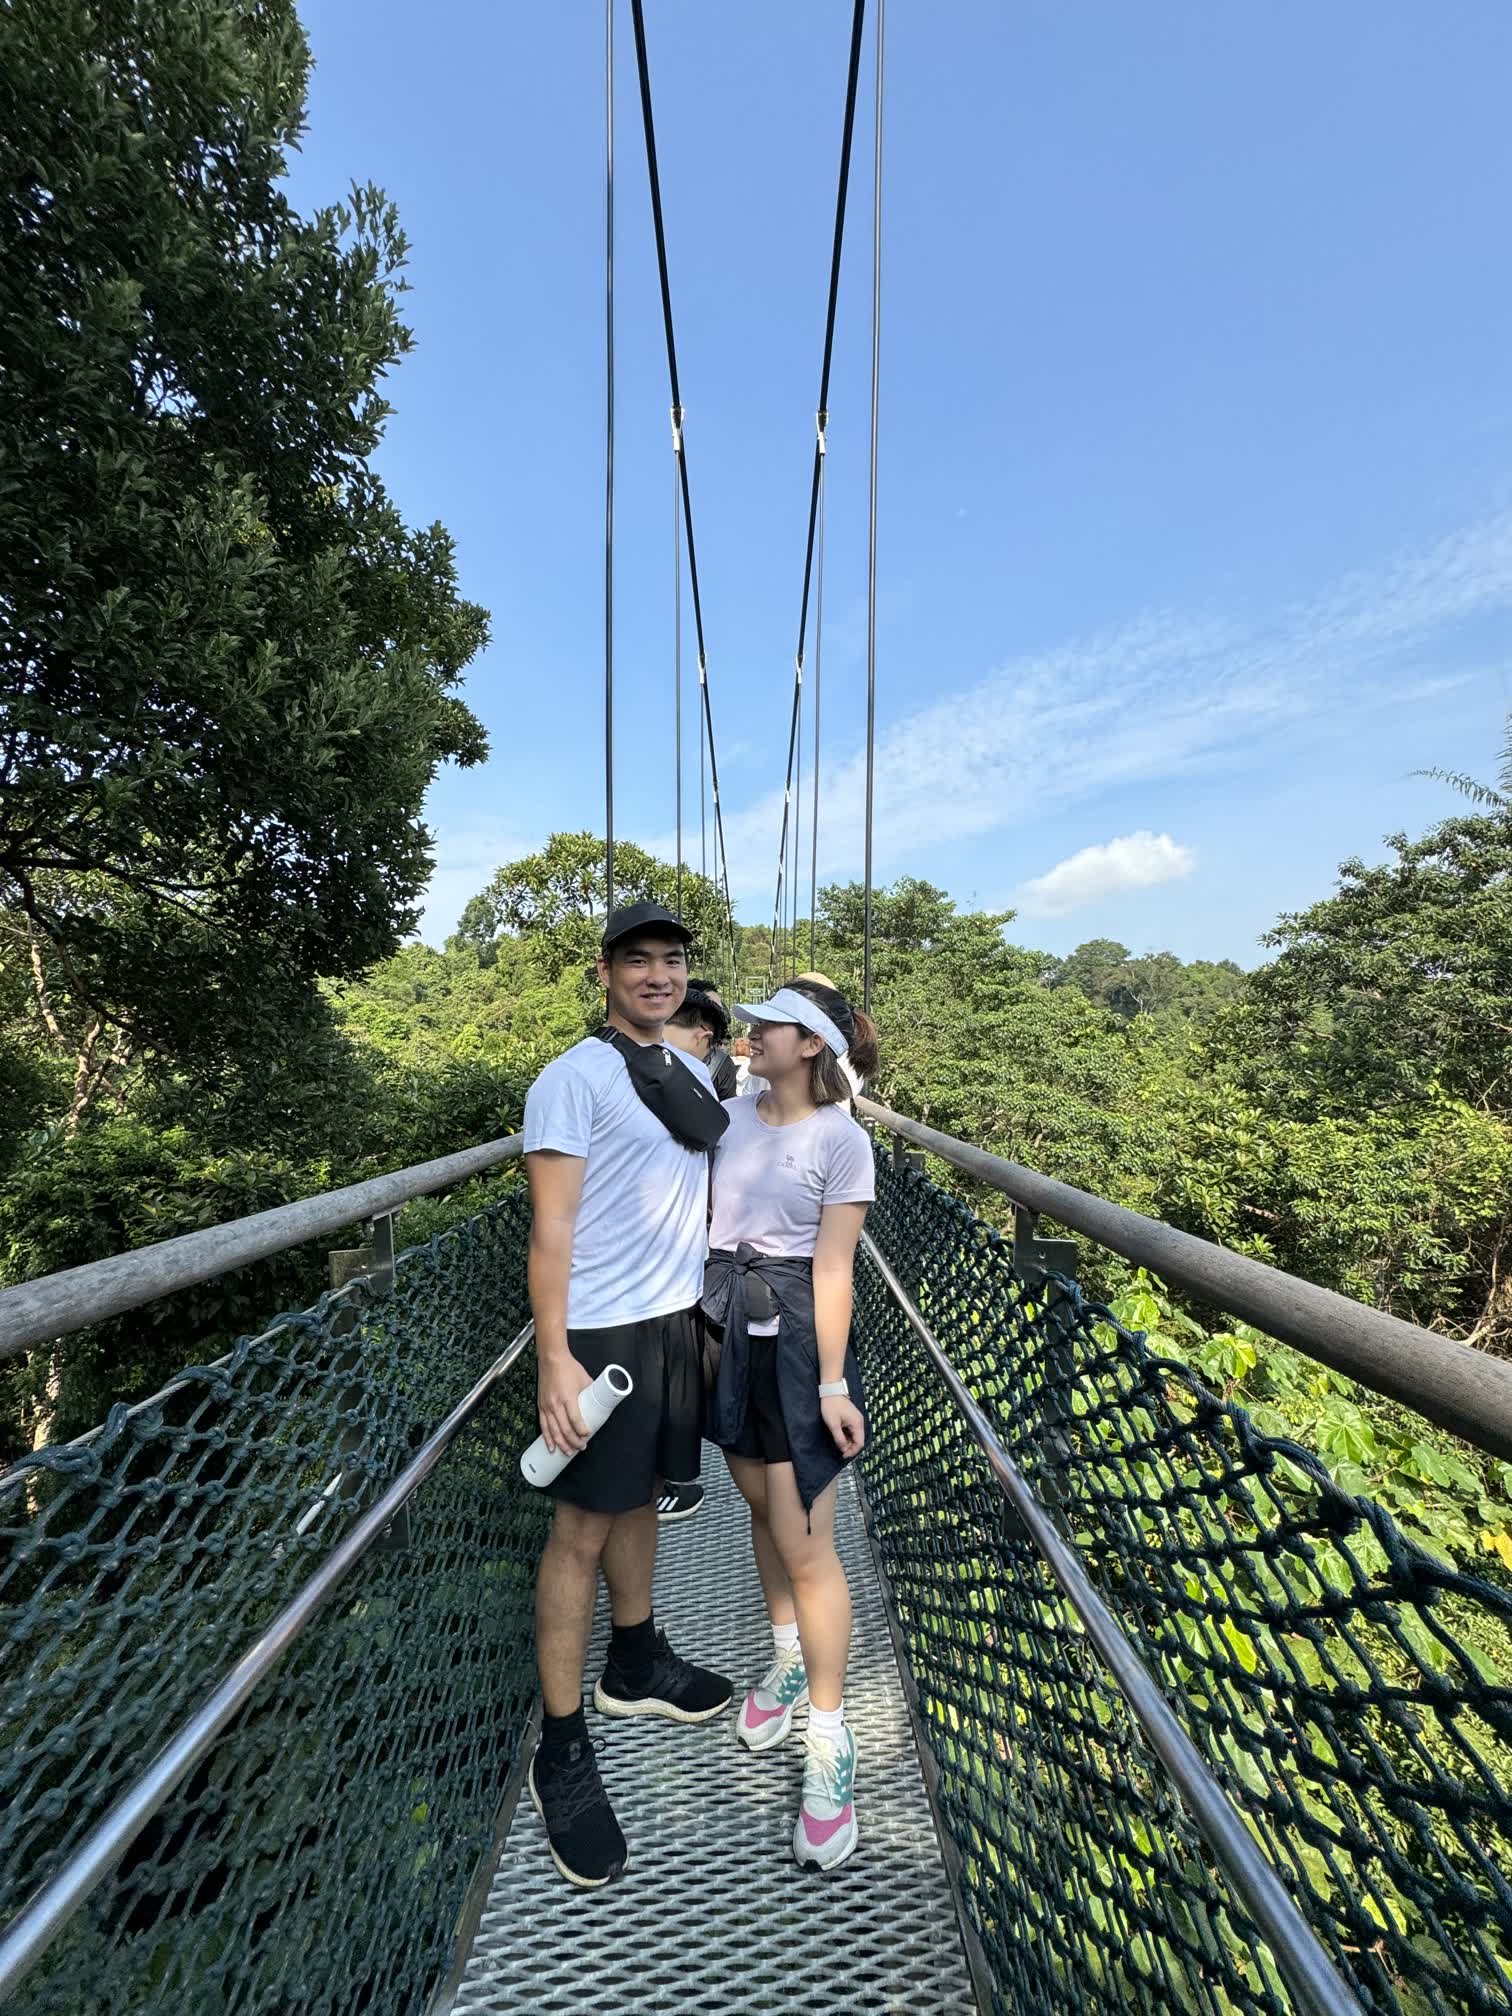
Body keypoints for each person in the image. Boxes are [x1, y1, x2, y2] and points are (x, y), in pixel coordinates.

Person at [522, 900, 733, 1889]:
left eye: (673, 960)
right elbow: (550, 1234)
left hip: (674, 1320)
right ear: (604, 972)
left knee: (644, 1496)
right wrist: (553, 1358)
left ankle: (634, 1662)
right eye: (638, 960)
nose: (658, 974)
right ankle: (561, 1748)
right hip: (601, 1333)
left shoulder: (689, 1067)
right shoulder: (571, 1081)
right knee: (579, 1531)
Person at [701, 978, 881, 1872]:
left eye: (768, 1028)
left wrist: (835, 1384)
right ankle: (781, 1654)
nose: (751, 1038)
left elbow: (837, 1269)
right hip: (723, 1332)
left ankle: (829, 1734)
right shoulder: (725, 1116)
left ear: (810, 1045)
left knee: (807, 1541)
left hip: (800, 1348)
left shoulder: (842, 1142)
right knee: (760, 1513)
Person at [654, 980, 736, 1525]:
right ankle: (671, 1474)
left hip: (680, 1264)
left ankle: (671, 1476)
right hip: (679, 1262)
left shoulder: (692, 1079)